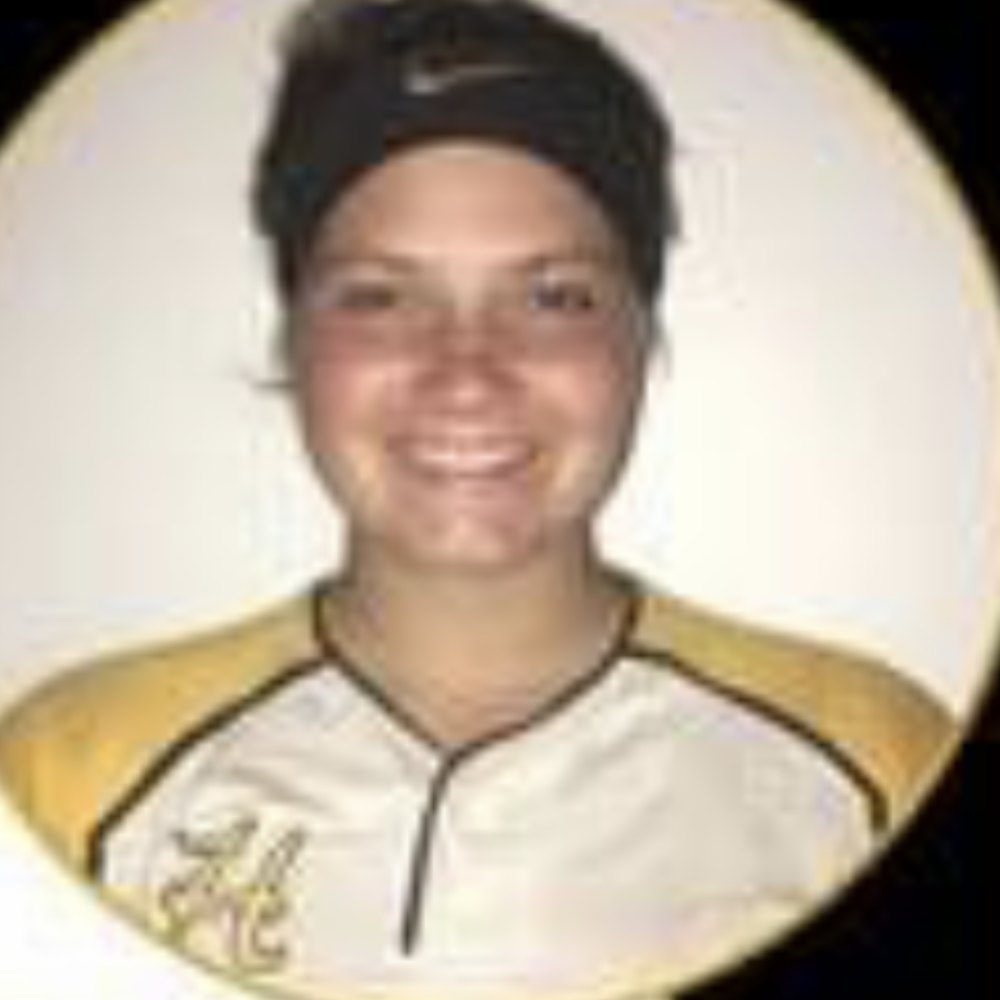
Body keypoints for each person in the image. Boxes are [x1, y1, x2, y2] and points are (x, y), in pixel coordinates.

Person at [0, 0, 954, 997]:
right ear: (294, 338)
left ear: (642, 337)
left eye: (554, 297)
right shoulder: (67, 775)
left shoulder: (878, 768)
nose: (466, 373)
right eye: (379, 296)